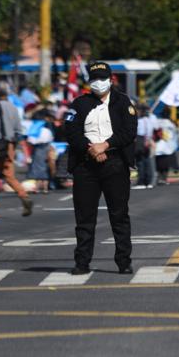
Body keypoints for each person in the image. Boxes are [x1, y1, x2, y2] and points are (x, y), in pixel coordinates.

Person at [63, 61, 137, 275]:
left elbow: (129, 131)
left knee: (119, 215)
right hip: (86, 164)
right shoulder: (79, 104)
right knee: (85, 217)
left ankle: (124, 261)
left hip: (114, 162)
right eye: (94, 79)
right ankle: (82, 262)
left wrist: (105, 145)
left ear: (111, 80)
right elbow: (71, 131)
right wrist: (90, 149)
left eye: (102, 79)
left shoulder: (123, 103)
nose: (98, 83)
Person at [0, 82, 33, 219]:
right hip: (10, 145)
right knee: (9, 175)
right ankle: (24, 196)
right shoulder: (14, 108)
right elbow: (19, 129)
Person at [133, 104, 156, 190]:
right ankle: (146, 181)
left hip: (141, 139)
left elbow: (146, 131)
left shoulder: (142, 120)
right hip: (143, 140)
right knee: (144, 161)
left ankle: (142, 181)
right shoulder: (146, 119)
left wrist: (146, 140)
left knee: (141, 161)